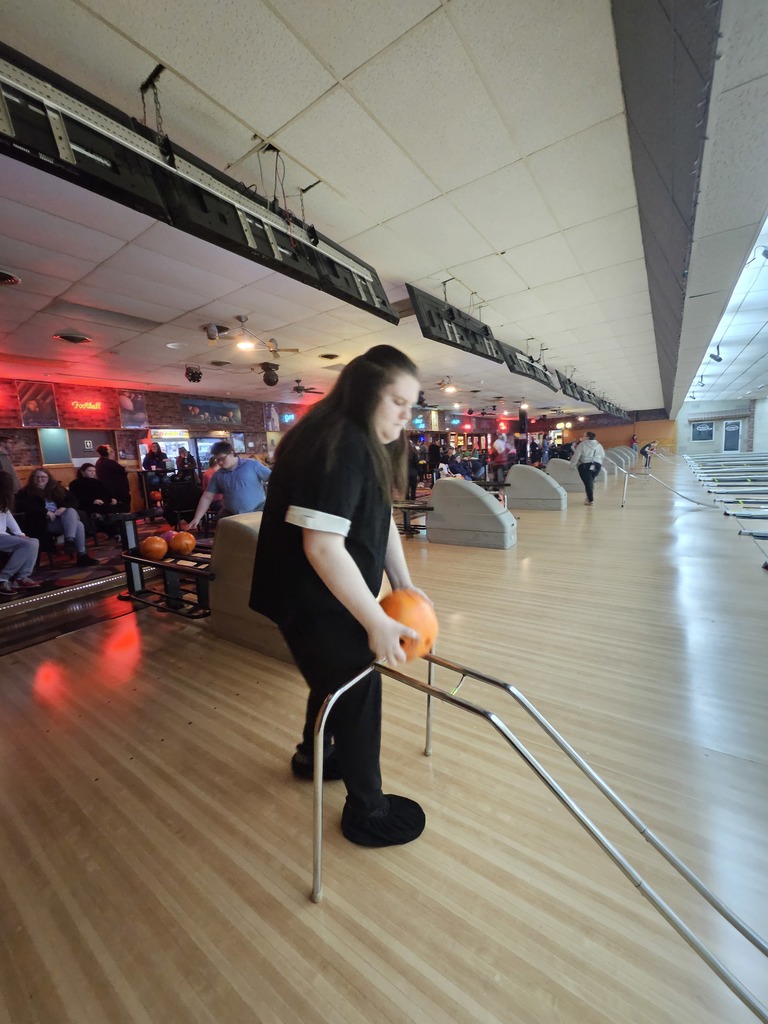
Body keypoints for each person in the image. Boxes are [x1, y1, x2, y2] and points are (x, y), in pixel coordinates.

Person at [249, 344, 428, 848]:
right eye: (398, 401)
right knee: (358, 684)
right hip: (307, 596)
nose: (405, 416)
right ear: (368, 392)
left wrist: (403, 582)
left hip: (311, 593)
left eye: (412, 405)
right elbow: (323, 546)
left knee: (334, 677)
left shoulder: (366, 441)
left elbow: (379, 519)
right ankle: (367, 810)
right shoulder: (339, 443)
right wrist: (375, 622)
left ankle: (312, 756)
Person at [15, 468, 100, 565]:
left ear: (48, 478)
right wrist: (45, 512)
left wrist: (64, 507)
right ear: (32, 478)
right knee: (78, 524)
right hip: (42, 522)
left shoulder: (56, 488)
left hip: (62, 519)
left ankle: (70, 541)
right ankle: (81, 554)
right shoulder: (25, 492)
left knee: (72, 514)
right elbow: (24, 506)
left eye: (43, 477)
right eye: (37, 477)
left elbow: (74, 501)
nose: (40, 479)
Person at [187, 441, 271, 528]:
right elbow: (207, 497)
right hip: (232, 516)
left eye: (222, 458)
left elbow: (273, 479)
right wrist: (197, 518)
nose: (219, 462)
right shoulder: (218, 475)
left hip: (258, 513)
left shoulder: (252, 465)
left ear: (231, 453)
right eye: (217, 460)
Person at [0, 471, 39, 594]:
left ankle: (22, 577)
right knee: (27, 544)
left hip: (2, 535)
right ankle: (3, 578)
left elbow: (7, 516)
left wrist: (19, 533)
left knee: (33, 541)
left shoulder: (2, 500)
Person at [570, 431, 605, 506]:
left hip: (585, 465)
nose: (582, 437)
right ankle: (588, 498)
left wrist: (572, 465)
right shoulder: (598, 444)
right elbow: (602, 455)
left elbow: (577, 455)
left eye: (584, 436)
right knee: (591, 481)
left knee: (588, 483)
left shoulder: (582, 444)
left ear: (588, 437)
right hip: (597, 465)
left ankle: (590, 500)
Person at [95, 445, 131, 510]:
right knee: (123, 507)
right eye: (113, 452)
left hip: (107, 489)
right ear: (110, 453)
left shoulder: (99, 462)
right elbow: (123, 470)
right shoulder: (109, 462)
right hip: (117, 490)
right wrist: (137, 470)